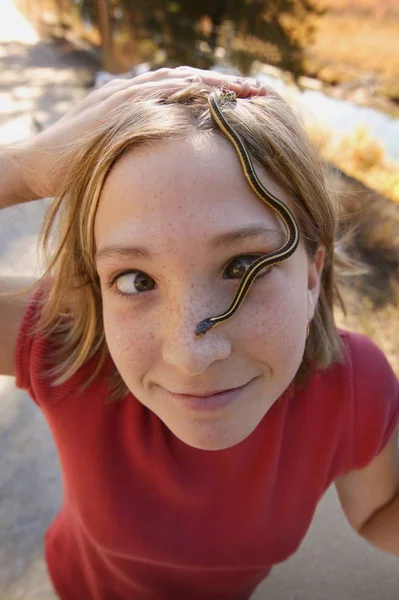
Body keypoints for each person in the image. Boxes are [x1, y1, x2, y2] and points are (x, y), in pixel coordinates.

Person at [0, 66, 398, 600]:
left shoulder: (354, 389)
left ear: (311, 273)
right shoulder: (68, 348)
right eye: (136, 279)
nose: (190, 354)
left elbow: (380, 512)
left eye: (242, 266)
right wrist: (20, 168)